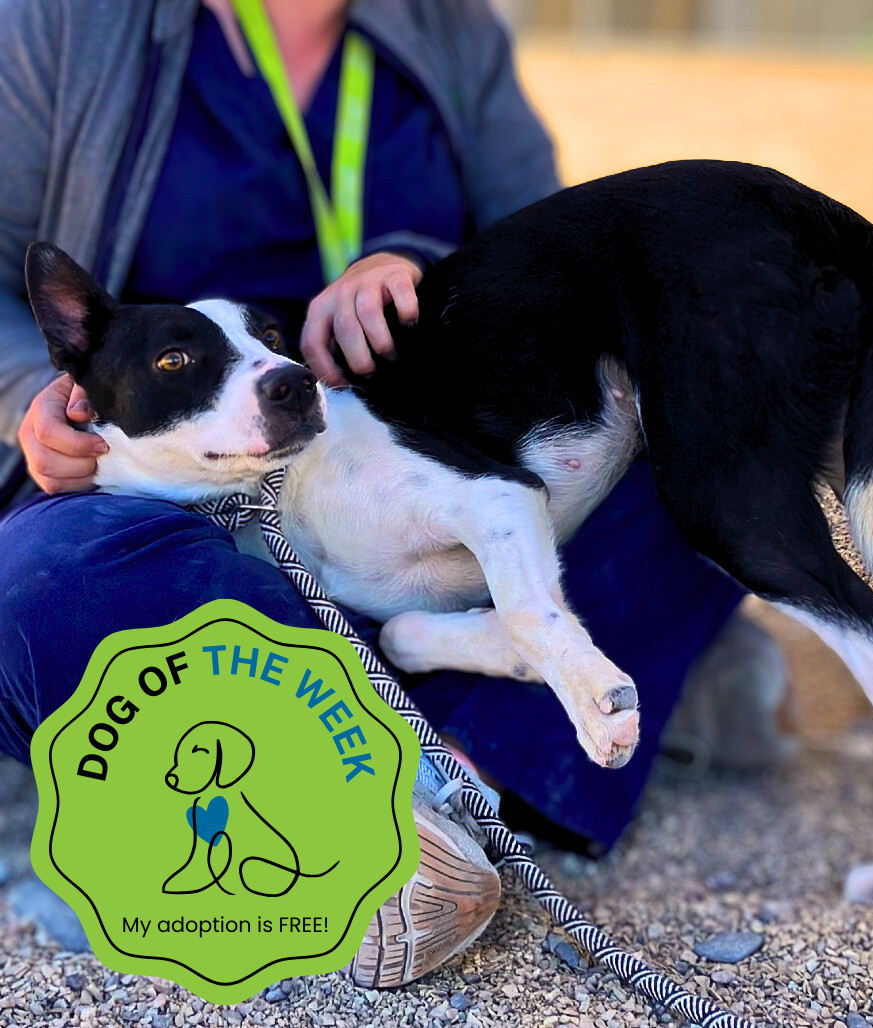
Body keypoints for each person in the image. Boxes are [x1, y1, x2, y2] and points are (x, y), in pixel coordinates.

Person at [0, 0, 786, 988]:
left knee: (725, 410)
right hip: (159, 480)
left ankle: (450, 792)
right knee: (44, 577)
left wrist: (412, 263)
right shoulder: (62, 25)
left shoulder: (454, 35)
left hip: (405, 438)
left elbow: (559, 256)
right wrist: (34, 397)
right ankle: (397, 759)